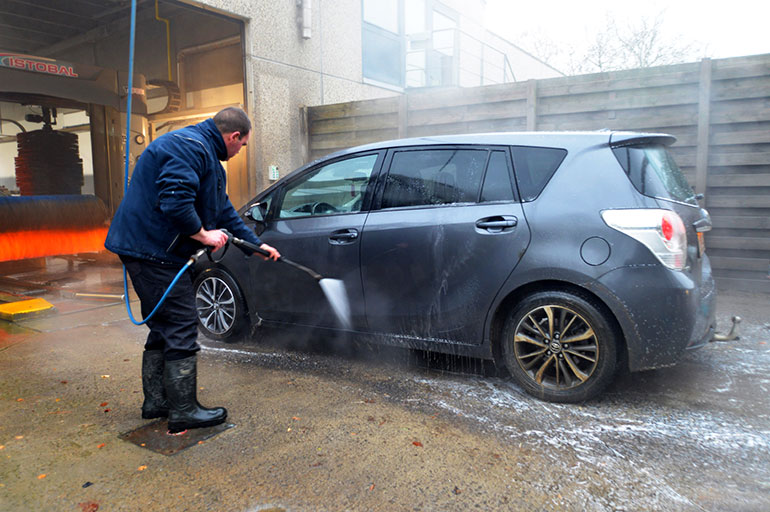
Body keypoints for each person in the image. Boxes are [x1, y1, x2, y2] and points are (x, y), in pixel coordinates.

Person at [105, 107, 280, 433]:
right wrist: (203, 235)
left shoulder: (206, 156)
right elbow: (175, 202)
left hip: (156, 250)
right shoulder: (188, 147)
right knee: (182, 323)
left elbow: (223, 210)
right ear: (234, 136)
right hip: (152, 252)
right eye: (242, 145)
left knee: (164, 325)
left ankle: (157, 401)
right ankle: (184, 411)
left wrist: (257, 245)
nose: (240, 150)